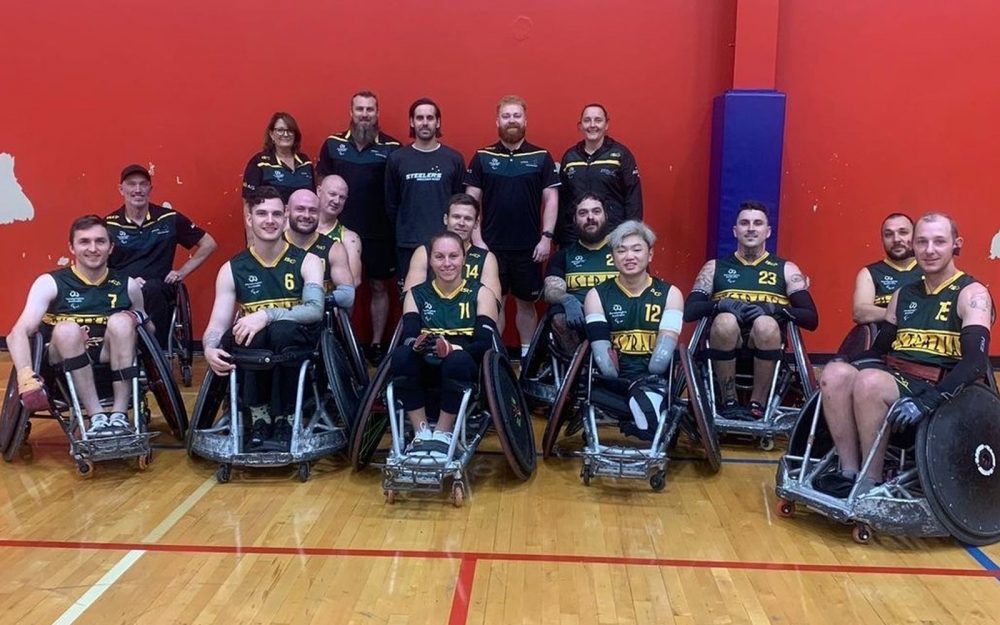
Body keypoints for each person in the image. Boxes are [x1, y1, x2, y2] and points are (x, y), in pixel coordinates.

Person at [815, 213, 993, 497]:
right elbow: (879, 350)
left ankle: (870, 481)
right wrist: (845, 362)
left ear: (956, 245)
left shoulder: (972, 293)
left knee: (870, 381)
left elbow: (975, 362)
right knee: (835, 374)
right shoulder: (903, 294)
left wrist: (930, 400)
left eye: (939, 241)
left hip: (941, 387)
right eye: (921, 242)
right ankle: (847, 470)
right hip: (899, 379)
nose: (929, 250)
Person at [201, 186, 325, 450]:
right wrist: (209, 348)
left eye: (276, 214)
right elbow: (218, 323)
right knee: (249, 332)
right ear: (249, 218)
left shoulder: (309, 261)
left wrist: (266, 315)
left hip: (297, 344)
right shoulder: (232, 269)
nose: (269, 220)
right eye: (262, 214)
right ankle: (259, 418)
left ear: (285, 217)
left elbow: (315, 309)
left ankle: (287, 418)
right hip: (254, 347)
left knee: (281, 330)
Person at [8, 215, 148, 436]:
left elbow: (149, 333)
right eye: (84, 241)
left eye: (100, 241)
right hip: (60, 361)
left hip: (108, 354)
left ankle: (119, 415)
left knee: (122, 321)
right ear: (71, 247)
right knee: (67, 329)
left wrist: (135, 318)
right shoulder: (50, 282)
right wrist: (26, 376)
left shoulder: (127, 285)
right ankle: (97, 417)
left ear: (111, 247)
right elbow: (17, 333)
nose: (93, 248)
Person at [683, 201, 819, 420]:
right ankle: (729, 401)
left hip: (767, 343)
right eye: (744, 223)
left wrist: (774, 308)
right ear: (735, 231)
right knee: (725, 320)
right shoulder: (715, 267)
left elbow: (811, 318)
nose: (751, 228)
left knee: (765, 323)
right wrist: (719, 305)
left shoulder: (786, 269)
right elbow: (690, 311)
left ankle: (758, 404)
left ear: (768, 232)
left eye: (758, 223)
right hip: (724, 344)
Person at [465, 95, 559, 357]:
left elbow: (551, 199)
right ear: (497, 121)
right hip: (491, 247)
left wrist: (546, 237)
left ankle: (527, 358)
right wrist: (477, 239)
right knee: (495, 304)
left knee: (527, 304)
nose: (512, 121)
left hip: (529, 248)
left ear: (525, 120)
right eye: (506, 116)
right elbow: (471, 200)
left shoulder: (541, 156)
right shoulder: (482, 157)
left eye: (517, 115)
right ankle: (495, 359)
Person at [390, 231, 498, 455]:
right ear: (430, 260)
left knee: (456, 361)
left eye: (453, 256)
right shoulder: (416, 294)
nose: (447, 263)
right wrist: (416, 345)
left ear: (463, 259)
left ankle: (442, 433)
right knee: (400, 355)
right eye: (439, 257)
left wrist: (452, 348)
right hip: (425, 360)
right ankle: (421, 432)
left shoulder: (481, 293)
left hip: (464, 362)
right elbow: (408, 335)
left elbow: (484, 344)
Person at [317, 91, 402, 364]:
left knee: (379, 287)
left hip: (380, 232)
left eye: (370, 109)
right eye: (359, 109)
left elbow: (397, 191)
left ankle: (376, 344)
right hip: (339, 232)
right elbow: (321, 188)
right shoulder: (332, 145)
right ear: (351, 112)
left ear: (377, 113)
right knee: (338, 286)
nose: (365, 114)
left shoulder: (393, 147)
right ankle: (340, 341)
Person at [583, 220, 684, 439]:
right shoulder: (596, 295)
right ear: (613, 257)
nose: (630, 256)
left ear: (650, 255)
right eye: (622, 250)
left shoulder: (671, 294)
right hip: (614, 380)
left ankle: (645, 422)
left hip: (654, 378)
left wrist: (644, 380)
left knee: (648, 406)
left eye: (637, 249)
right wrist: (620, 379)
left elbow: (661, 360)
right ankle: (646, 422)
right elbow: (604, 359)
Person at [106, 164, 217, 348]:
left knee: (153, 289)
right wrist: (128, 281)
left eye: (143, 184)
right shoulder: (109, 224)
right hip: (122, 288)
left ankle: (155, 357)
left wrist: (182, 272)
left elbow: (209, 244)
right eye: (132, 184)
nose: (138, 189)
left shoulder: (169, 218)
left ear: (151, 188)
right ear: (121, 189)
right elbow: (100, 264)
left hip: (159, 290)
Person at [385, 98, 466, 280]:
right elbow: (391, 203)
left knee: (444, 299)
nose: (425, 122)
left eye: (430, 118)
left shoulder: (453, 159)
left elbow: (460, 202)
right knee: (410, 298)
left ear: (438, 122)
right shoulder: (397, 159)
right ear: (412, 122)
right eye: (419, 118)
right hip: (408, 243)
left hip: (445, 246)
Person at [557, 104, 642, 246]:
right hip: (576, 238)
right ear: (580, 125)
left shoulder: (620, 155)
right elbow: (563, 202)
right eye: (587, 120)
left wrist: (631, 234)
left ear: (606, 124)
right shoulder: (570, 157)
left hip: (613, 236)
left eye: (598, 120)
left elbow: (633, 198)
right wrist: (560, 237)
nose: (592, 125)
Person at [543, 193, 617, 354]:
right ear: (575, 220)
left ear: (606, 215)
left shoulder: (623, 253)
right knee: (558, 316)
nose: (590, 217)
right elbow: (551, 290)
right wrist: (567, 300)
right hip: (577, 321)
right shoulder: (563, 256)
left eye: (596, 211)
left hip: (618, 315)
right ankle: (577, 371)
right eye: (583, 213)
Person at [402, 193, 500, 300]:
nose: (461, 223)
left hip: (472, 315)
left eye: (468, 219)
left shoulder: (486, 258)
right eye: (456, 217)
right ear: (445, 219)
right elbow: (410, 298)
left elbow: (493, 303)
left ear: (476, 223)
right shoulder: (424, 252)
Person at [283, 189, 356, 308]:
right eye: (300, 209)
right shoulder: (275, 246)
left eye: (312, 210)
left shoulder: (334, 248)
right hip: (281, 320)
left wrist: (313, 301)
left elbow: (347, 296)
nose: (306, 215)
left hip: (321, 321)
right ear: (287, 211)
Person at [852, 213, 921, 324]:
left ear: (915, 236)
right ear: (882, 239)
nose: (896, 239)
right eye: (888, 235)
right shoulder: (870, 273)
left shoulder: (929, 270)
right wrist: (902, 315)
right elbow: (860, 312)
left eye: (903, 232)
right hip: (885, 338)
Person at [242, 112, 315, 205]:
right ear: (271, 134)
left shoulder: (305, 162)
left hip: (302, 218)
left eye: (290, 130)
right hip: (272, 218)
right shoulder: (259, 162)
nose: (285, 134)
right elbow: (248, 202)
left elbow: (313, 196)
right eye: (280, 130)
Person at [316, 174, 363, 287]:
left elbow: (354, 282)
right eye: (332, 194)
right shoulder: (294, 227)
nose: (336, 201)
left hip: (331, 301)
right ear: (319, 191)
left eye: (342, 197)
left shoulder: (349, 238)